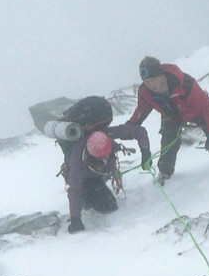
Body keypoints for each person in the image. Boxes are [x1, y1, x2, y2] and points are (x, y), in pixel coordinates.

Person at [127, 56, 209, 184]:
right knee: (168, 142)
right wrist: (131, 125)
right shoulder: (145, 92)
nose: (149, 85)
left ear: (161, 75)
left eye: (152, 80)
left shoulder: (184, 82)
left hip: (195, 111)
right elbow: (142, 109)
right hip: (171, 116)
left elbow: (207, 108)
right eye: (146, 81)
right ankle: (165, 171)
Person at [57, 96, 151, 233]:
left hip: (99, 173)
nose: (105, 158)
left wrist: (145, 151)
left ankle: (97, 187)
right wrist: (75, 219)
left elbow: (138, 131)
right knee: (108, 206)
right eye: (100, 157)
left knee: (105, 199)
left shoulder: (107, 133)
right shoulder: (78, 156)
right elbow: (74, 188)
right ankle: (88, 198)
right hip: (86, 179)